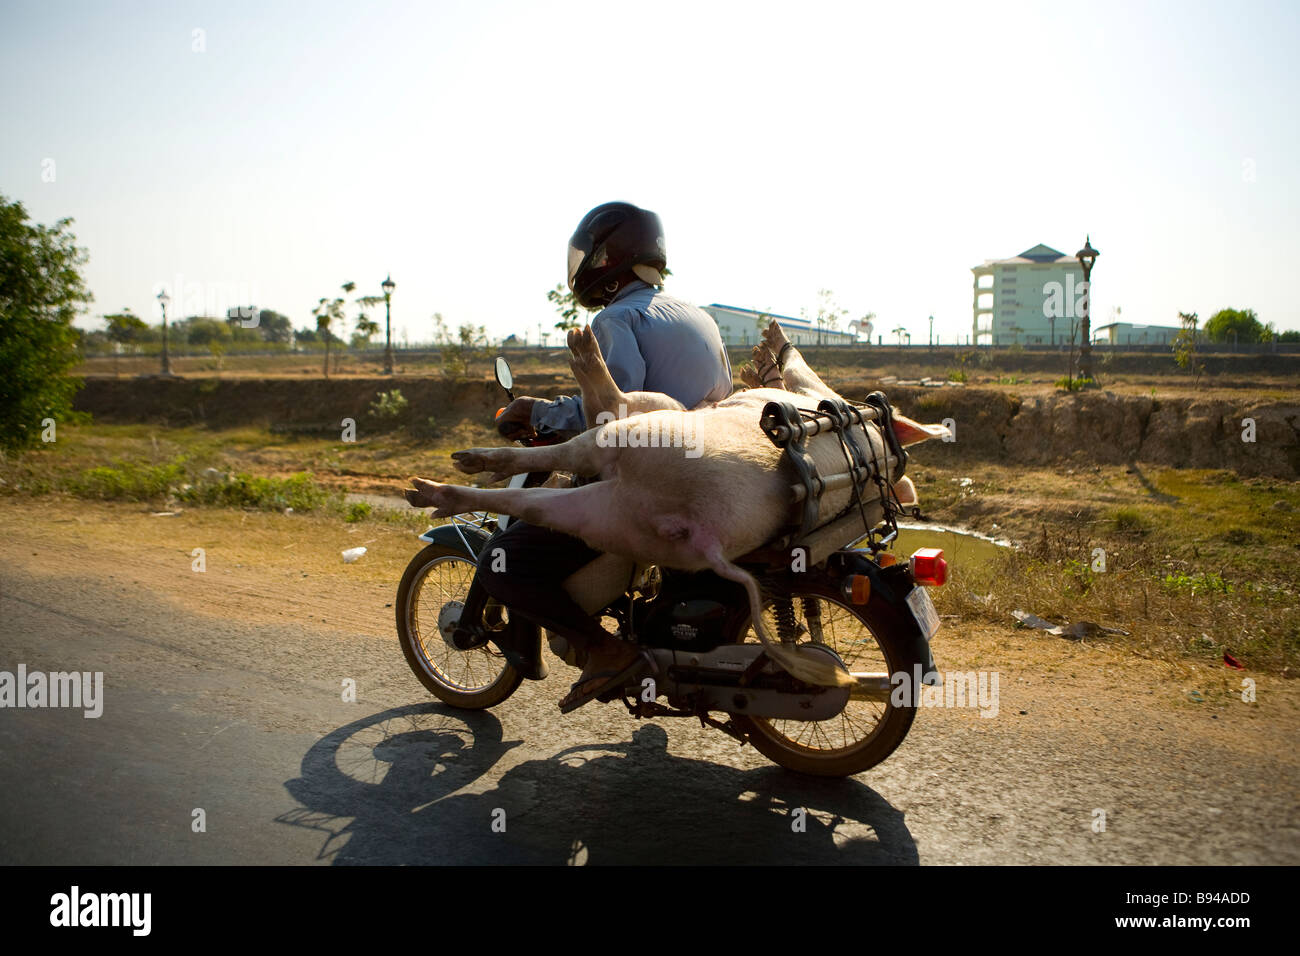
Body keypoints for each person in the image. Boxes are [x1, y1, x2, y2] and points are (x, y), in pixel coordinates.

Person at [481, 201, 733, 712]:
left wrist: (538, 412)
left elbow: (614, 418)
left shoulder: (616, 320)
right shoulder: (697, 316)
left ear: (606, 259)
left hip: (650, 487)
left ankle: (604, 650)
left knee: (500, 563)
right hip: (713, 471)